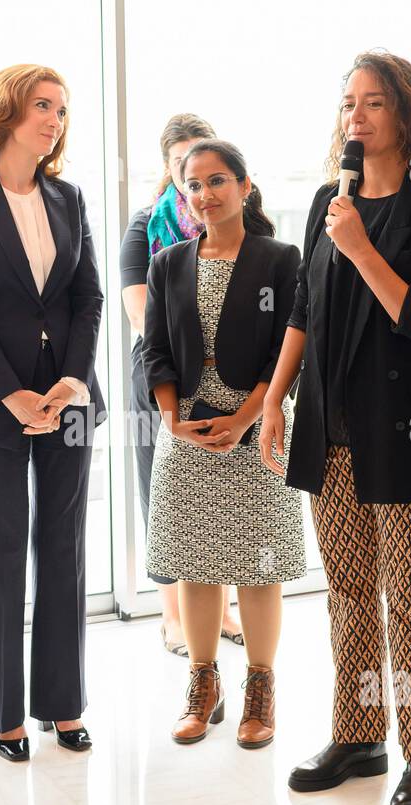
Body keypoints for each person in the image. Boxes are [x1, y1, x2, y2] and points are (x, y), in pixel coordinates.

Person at [260, 52, 411, 805]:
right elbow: (303, 306)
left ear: (409, 115)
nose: (357, 115)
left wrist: (360, 247)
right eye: (349, 102)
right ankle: (360, 737)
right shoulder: (332, 197)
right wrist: (276, 398)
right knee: (349, 594)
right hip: (333, 429)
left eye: (375, 102)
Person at [0, 65, 104, 762]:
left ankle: (62, 705)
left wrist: (70, 380)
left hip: (66, 398)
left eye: (61, 110)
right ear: (7, 112)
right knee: (3, 551)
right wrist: (10, 394)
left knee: (62, 548)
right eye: (42, 105)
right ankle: (3, 712)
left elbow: (88, 299)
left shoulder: (68, 197)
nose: (54, 119)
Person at [143, 139, 305, 748]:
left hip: (257, 425)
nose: (205, 195)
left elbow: (286, 349)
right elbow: (153, 348)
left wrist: (245, 416)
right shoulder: (169, 263)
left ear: (243, 185)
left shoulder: (280, 259)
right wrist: (170, 418)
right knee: (193, 561)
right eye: (193, 185)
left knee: (259, 567)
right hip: (184, 429)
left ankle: (260, 690)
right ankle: (202, 685)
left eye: (217, 181)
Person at [119, 113, 245, 656]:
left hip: (229, 378)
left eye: (207, 166)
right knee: (168, 495)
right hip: (161, 373)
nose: (197, 179)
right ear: (170, 171)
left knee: (227, 495)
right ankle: (173, 615)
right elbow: (140, 314)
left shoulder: (247, 224)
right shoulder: (147, 226)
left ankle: (219, 610)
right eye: (183, 167)